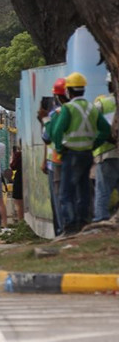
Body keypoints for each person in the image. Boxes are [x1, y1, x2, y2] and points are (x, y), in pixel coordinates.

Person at [50, 72, 112, 234]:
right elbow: (105, 130)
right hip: (87, 155)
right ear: (83, 90)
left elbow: (57, 131)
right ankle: (83, 223)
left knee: (66, 193)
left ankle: (70, 226)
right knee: (84, 190)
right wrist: (93, 144)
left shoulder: (68, 108)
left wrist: (59, 148)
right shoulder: (92, 107)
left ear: (68, 92)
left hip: (71, 154)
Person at [39, 78, 68, 235]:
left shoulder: (56, 114)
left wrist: (43, 120)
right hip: (70, 159)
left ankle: (61, 231)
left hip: (56, 162)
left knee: (58, 199)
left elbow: (47, 137)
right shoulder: (82, 109)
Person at [93, 71, 119, 222]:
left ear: (109, 85)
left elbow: (91, 126)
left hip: (106, 154)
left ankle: (101, 221)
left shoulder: (102, 104)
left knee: (103, 191)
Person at [10, 144, 24, 223]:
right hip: (26, 177)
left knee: (19, 204)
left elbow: (13, 166)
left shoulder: (19, 155)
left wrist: (13, 156)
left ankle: (21, 222)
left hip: (19, 179)